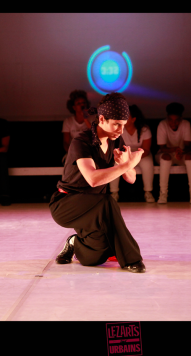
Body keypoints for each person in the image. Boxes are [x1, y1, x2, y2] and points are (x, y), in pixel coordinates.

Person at [49, 92, 146, 273]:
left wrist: (125, 165)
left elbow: (131, 178)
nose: (121, 130)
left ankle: (74, 242)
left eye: (123, 125)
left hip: (94, 209)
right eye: (116, 124)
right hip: (66, 204)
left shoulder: (115, 139)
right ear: (102, 119)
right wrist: (128, 164)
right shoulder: (81, 141)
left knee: (97, 255)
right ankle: (132, 259)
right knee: (108, 201)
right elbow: (93, 179)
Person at [109, 104, 155, 202]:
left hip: (141, 155)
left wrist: (134, 158)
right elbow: (115, 147)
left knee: (147, 163)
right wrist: (126, 158)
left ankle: (148, 192)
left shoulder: (144, 130)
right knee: (115, 163)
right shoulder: (119, 129)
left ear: (133, 119)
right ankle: (114, 193)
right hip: (124, 155)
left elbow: (146, 150)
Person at [155, 102, 191, 204]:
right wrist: (175, 150)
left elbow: (188, 146)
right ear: (167, 118)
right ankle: (163, 193)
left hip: (181, 154)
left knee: (190, 157)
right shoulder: (162, 125)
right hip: (166, 153)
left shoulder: (186, 124)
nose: (173, 123)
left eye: (176, 120)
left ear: (180, 119)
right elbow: (162, 148)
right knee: (166, 158)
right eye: (171, 120)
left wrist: (181, 152)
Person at [62, 90, 93, 163]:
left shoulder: (93, 119)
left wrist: (85, 119)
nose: (82, 105)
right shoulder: (68, 121)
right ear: (74, 107)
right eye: (78, 103)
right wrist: (72, 153)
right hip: (73, 153)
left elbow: (95, 134)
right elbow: (66, 142)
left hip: (90, 152)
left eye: (84, 103)